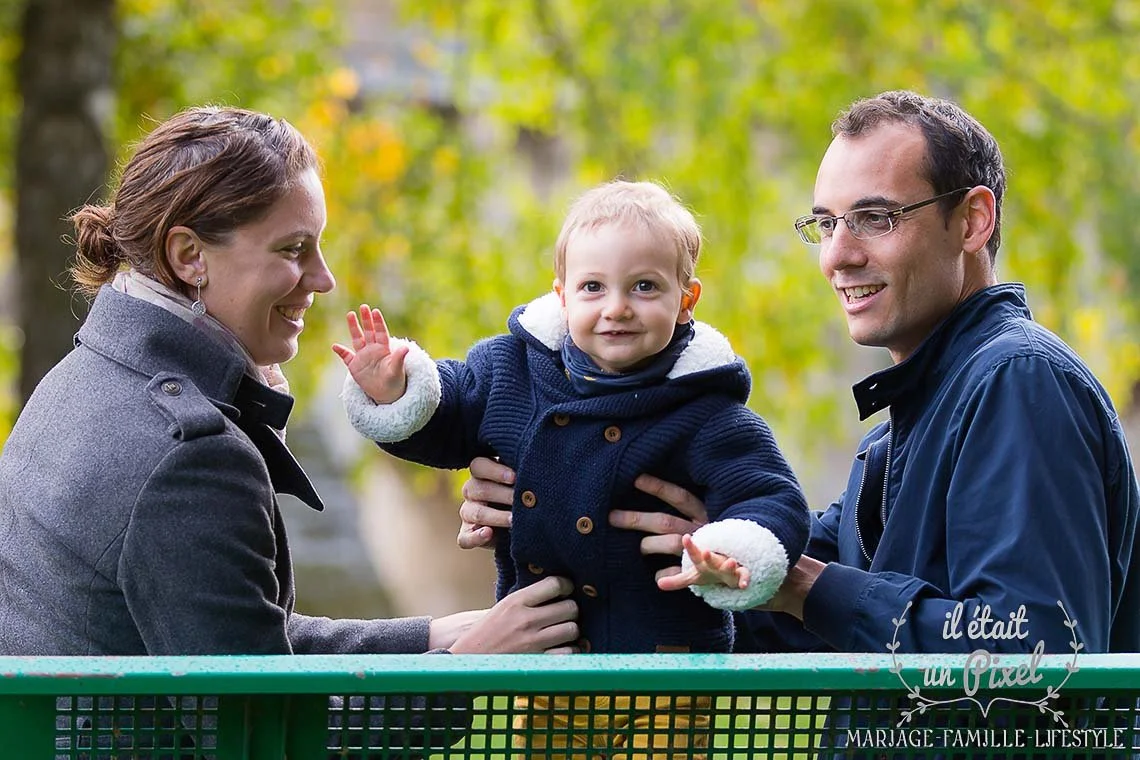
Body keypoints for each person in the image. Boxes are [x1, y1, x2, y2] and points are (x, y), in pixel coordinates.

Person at [458, 90, 1140, 660]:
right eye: (825, 224)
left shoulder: (1016, 381)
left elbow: (1032, 652)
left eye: (875, 218)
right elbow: (764, 611)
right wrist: (566, 502)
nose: (837, 257)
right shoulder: (905, 426)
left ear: (972, 220)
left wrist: (797, 584)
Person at [0, 106, 580, 662]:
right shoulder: (190, 461)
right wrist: (468, 664)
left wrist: (431, 637)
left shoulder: (80, 379)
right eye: (294, 249)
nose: (323, 279)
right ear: (188, 255)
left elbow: (236, 638)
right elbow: (259, 728)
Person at [334, 179, 810, 758]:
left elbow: (767, 494)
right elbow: (450, 410)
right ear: (561, 295)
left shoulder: (704, 409)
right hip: (551, 650)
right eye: (593, 287)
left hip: (666, 663)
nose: (617, 308)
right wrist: (397, 391)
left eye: (644, 287)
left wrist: (733, 551)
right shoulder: (513, 370)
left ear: (687, 298)